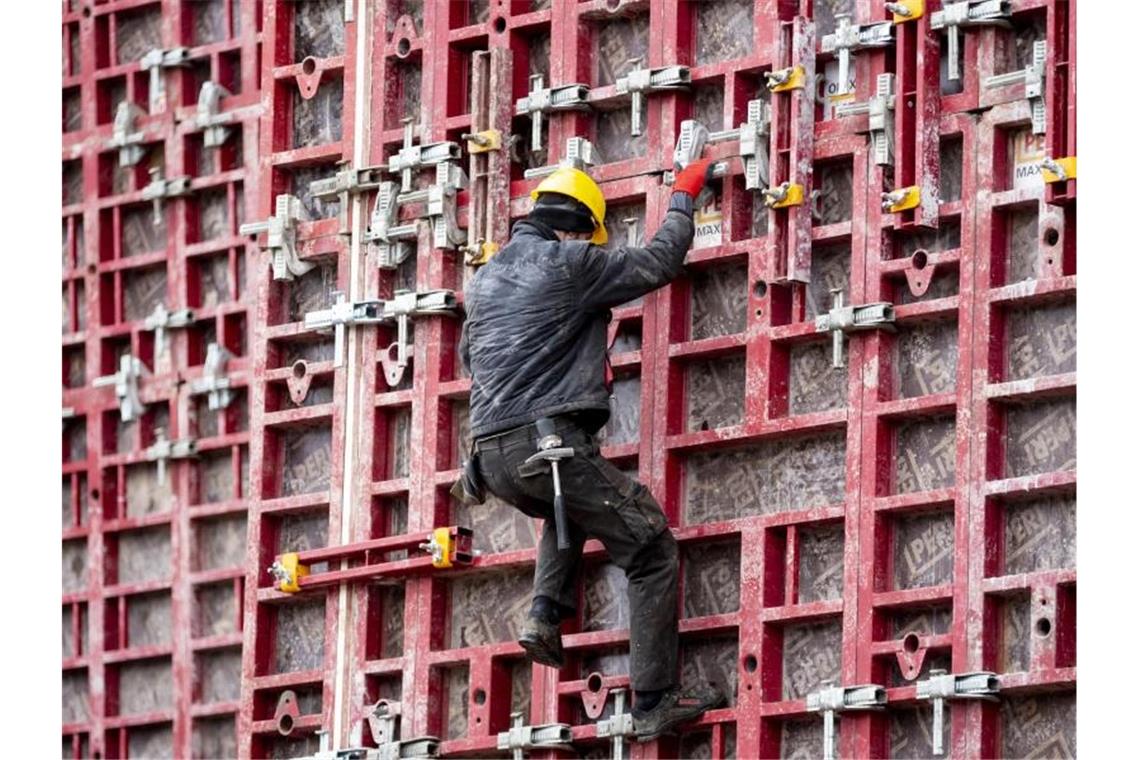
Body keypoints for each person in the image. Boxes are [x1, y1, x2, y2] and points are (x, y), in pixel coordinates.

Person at [458, 159, 724, 741]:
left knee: (569, 507)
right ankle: (654, 699)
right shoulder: (571, 263)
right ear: (579, 228)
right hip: (548, 443)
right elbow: (657, 263)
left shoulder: (482, 280)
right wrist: (682, 196)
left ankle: (545, 616)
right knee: (649, 544)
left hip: (491, 460)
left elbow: (471, 362)